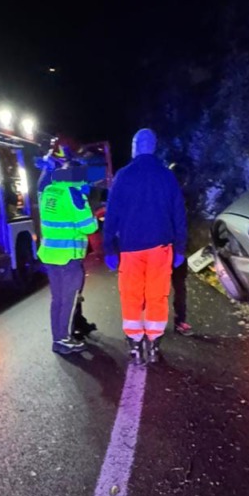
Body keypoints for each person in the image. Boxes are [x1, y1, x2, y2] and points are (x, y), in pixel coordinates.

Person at [102, 127, 187, 364]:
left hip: (130, 248)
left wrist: (109, 248)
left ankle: (135, 344)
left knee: (131, 295)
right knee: (157, 295)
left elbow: (112, 214)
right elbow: (179, 214)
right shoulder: (166, 176)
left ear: (135, 147)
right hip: (161, 248)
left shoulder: (123, 176)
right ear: (154, 147)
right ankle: (153, 344)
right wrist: (180, 248)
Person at [36, 141, 98, 356]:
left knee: (57, 300)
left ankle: (57, 338)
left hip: (50, 256)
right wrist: (92, 212)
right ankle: (64, 340)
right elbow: (88, 227)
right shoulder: (74, 195)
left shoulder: (49, 191)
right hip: (68, 258)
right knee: (69, 300)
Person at [168, 161, 192, 335]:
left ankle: (177, 321)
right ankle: (179, 322)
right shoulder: (177, 198)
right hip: (169, 249)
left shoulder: (179, 198)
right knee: (178, 287)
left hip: (169, 249)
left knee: (175, 287)